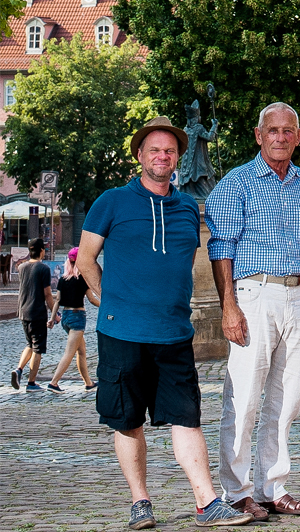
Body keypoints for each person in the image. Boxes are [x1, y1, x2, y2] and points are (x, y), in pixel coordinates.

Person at [76, 117, 251, 529]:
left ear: (178, 159)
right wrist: (108, 300)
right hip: (123, 333)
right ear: (140, 155)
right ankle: (141, 502)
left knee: (186, 417)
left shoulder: (189, 207)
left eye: (169, 151)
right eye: (154, 150)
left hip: (174, 332)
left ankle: (207, 503)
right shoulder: (112, 201)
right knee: (127, 419)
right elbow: (85, 260)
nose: (162, 157)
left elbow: (186, 262)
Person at [205, 102, 300, 520]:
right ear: (259, 136)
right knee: (243, 400)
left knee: (287, 399)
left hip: (298, 296)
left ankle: (273, 486)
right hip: (253, 295)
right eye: (271, 130)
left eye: (287, 130)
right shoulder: (236, 184)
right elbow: (220, 248)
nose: (280, 137)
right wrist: (229, 305)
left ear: (298, 136)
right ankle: (237, 491)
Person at [46, 245, 100, 392]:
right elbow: (92, 299)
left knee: (81, 351)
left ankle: (88, 383)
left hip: (66, 318)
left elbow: (57, 300)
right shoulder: (82, 279)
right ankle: (54, 382)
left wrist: (52, 318)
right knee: (69, 352)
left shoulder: (63, 279)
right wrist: (106, 306)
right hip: (77, 317)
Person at [11, 237, 55, 391]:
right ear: (42, 250)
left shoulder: (22, 267)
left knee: (30, 343)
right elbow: (48, 295)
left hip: (23, 311)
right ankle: (31, 383)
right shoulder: (43, 269)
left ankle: (19, 369)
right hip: (37, 312)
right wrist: (54, 314)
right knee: (38, 348)